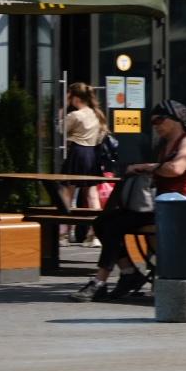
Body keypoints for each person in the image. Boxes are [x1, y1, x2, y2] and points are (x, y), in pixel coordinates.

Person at [70, 100, 186, 302]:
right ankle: (127, 273)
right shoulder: (163, 145)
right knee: (103, 222)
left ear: (176, 119)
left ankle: (104, 280)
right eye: (152, 122)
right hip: (157, 207)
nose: (156, 125)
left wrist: (145, 167)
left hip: (177, 209)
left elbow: (177, 169)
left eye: (159, 120)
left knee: (113, 225)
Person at [58, 82, 109, 247]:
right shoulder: (97, 115)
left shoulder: (75, 115)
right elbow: (101, 136)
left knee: (67, 194)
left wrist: (63, 107)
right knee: (92, 194)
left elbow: (61, 129)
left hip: (77, 153)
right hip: (92, 154)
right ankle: (94, 235)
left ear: (76, 98)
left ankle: (64, 234)